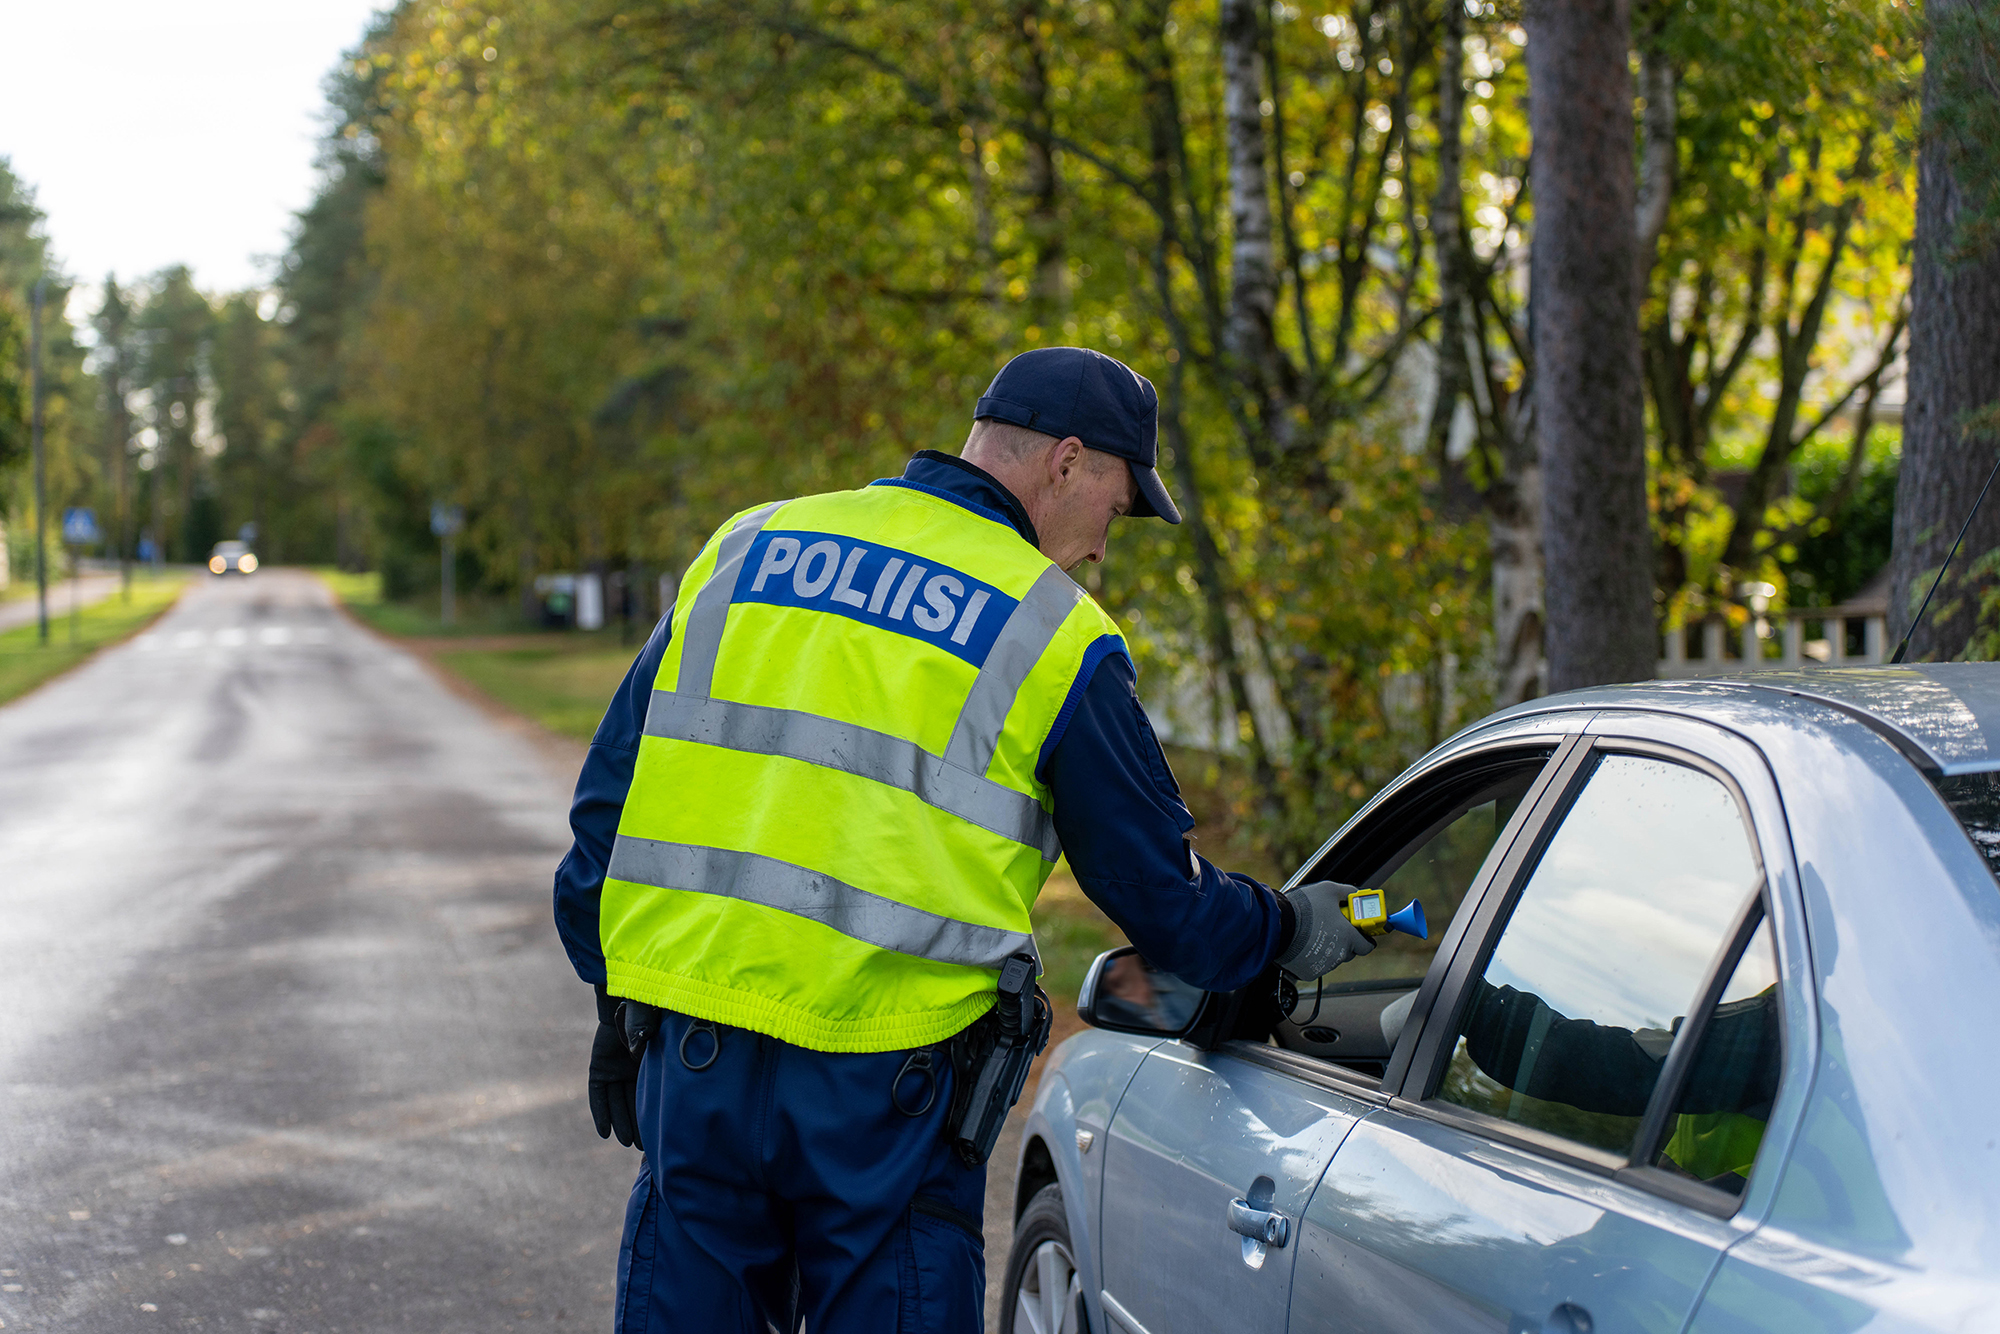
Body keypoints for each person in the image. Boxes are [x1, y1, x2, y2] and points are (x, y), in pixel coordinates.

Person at [551, 346, 1373, 1332]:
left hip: (695, 1067)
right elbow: (1165, 903)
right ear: (1065, 462)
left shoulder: (748, 544)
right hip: (884, 1103)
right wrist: (1285, 927)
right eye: (1115, 506)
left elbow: (607, 808)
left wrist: (618, 1004)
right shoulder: (1051, 631)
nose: (1104, 545)